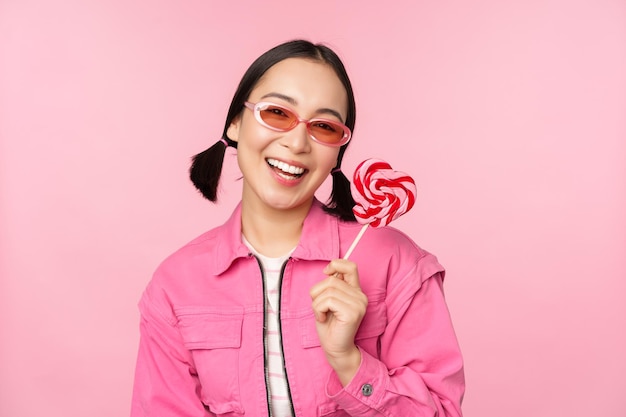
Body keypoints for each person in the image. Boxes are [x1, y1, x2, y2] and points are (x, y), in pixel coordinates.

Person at [131, 39, 465, 417]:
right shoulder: (176, 283)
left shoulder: (396, 263)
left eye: (323, 126)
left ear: (338, 150)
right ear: (235, 124)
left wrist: (350, 362)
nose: (296, 142)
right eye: (276, 113)